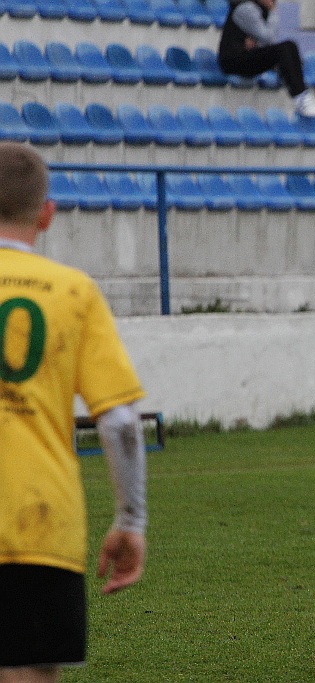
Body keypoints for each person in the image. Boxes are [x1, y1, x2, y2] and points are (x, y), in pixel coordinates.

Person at [0, 142, 148, 683]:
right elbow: (120, 421)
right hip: (37, 524)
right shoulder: (72, 291)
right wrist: (130, 521)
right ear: (47, 213)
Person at [218, 0, 315, 118]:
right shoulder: (246, 8)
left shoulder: (260, 9)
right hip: (233, 61)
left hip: (246, 56)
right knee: (284, 49)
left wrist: (257, 41)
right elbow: (268, 37)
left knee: (290, 48)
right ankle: (300, 97)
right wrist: (273, 11)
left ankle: (301, 92)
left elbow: (266, 40)